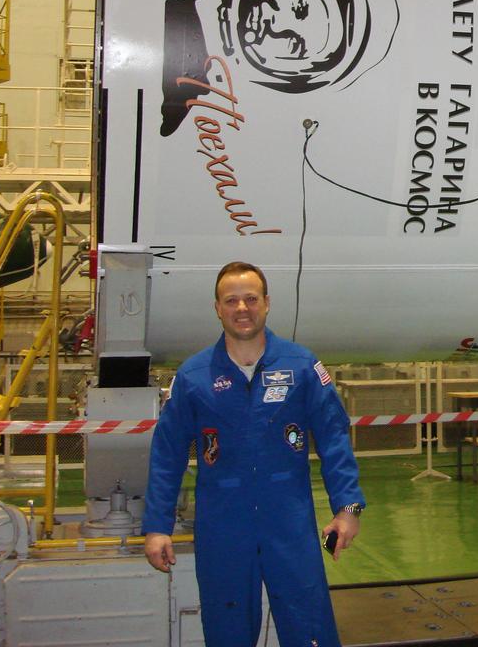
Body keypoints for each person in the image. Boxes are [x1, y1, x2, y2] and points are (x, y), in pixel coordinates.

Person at [143, 261, 365, 647]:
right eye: (231, 300)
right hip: (222, 526)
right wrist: (157, 526)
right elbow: (167, 454)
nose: (241, 308)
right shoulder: (194, 376)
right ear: (217, 308)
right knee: (226, 627)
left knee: (309, 623)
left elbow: (333, 438)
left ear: (266, 303)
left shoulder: (302, 366)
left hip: (289, 523)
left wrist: (349, 508)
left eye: (250, 299)